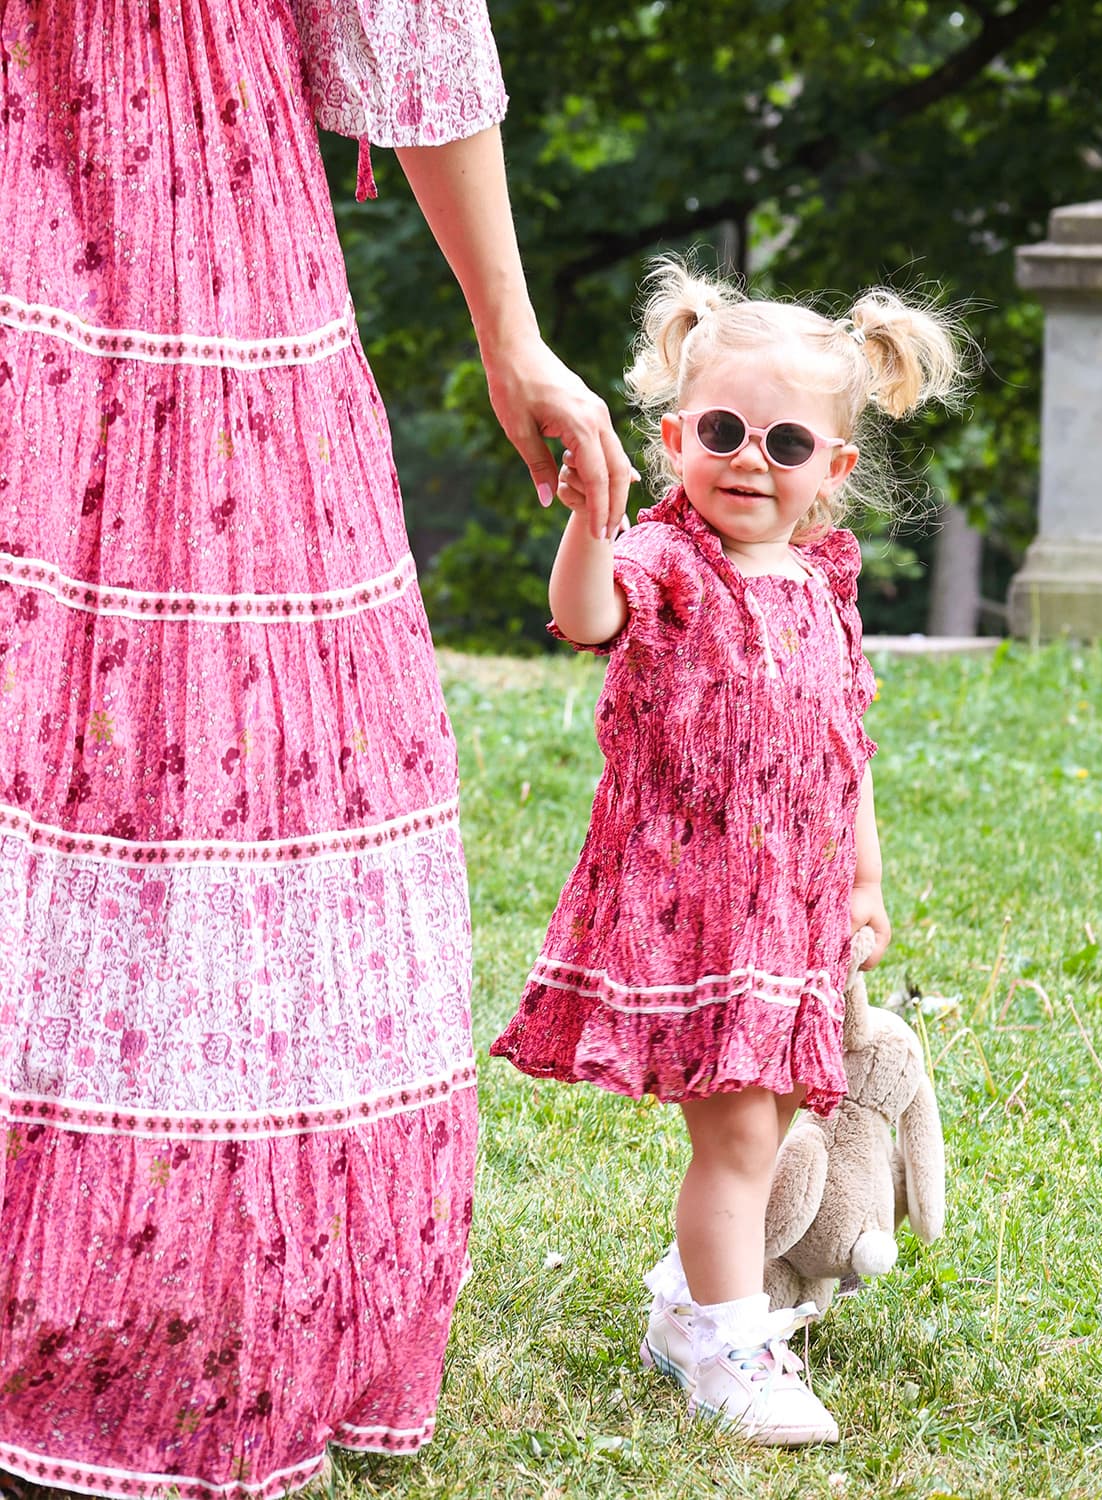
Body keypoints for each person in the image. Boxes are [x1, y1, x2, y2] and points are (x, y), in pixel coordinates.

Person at [0, 1, 630, 1494]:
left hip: (198, 218)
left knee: (205, 729)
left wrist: (513, 329)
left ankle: (141, 1307)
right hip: (177, 217)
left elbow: (401, 23)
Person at [491, 256, 965, 1444]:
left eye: (787, 443)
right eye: (723, 430)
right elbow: (589, 617)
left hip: (790, 909)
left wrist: (861, 876)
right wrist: (592, 524)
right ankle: (718, 1343)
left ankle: (696, 1300)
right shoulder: (665, 564)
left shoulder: (820, 584)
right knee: (744, 1130)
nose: (751, 458)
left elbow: (840, 743)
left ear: (834, 470)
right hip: (691, 899)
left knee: (764, 1121)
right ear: (672, 440)